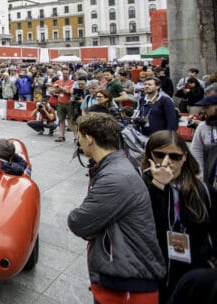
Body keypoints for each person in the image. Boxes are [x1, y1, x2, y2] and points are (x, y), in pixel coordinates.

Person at [68, 112, 166, 304]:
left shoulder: (115, 177)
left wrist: (92, 226)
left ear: (89, 139)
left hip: (127, 287)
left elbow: (78, 221)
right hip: (121, 277)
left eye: (78, 137)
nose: (77, 141)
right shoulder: (114, 166)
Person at [141, 130, 217, 303]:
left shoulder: (203, 190)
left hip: (193, 270)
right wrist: (158, 185)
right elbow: (145, 224)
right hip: (155, 270)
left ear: (185, 157)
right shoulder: (140, 185)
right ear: (149, 156)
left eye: (175, 157)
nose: (167, 162)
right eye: (159, 155)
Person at [189, 94, 217, 181]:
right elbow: (196, 152)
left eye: (206, 107)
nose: (202, 110)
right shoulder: (203, 127)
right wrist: (199, 176)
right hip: (211, 177)